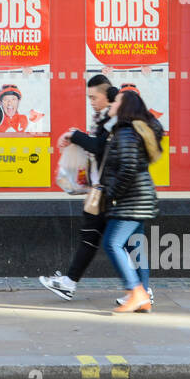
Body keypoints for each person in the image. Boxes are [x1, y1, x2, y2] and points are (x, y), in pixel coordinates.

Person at [38, 75, 134, 302]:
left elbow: (100, 146)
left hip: (113, 192)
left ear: (108, 96)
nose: (91, 101)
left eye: (94, 97)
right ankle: (69, 283)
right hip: (100, 190)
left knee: (118, 243)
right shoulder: (104, 117)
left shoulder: (115, 119)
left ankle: (140, 290)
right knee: (91, 236)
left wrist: (74, 135)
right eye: (88, 97)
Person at [99, 84, 165, 314]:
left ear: (124, 106)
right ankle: (143, 296)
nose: (112, 104)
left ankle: (135, 291)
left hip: (131, 199)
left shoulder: (126, 132)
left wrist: (112, 193)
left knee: (112, 242)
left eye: (116, 101)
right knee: (135, 247)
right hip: (141, 196)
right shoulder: (135, 130)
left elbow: (127, 167)